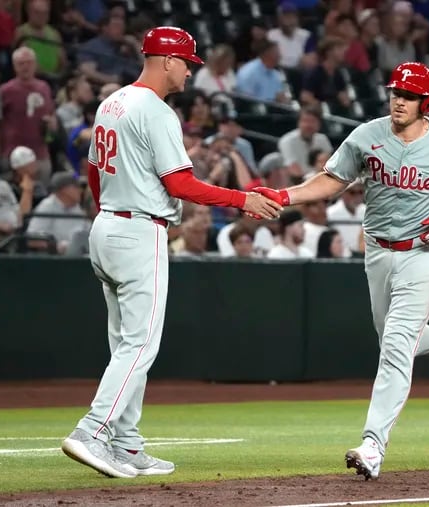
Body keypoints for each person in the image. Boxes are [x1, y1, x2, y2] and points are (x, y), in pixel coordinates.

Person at [60, 26, 282, 479]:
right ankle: (92, 432)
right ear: (165, 60)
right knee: (139, 345)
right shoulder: (156, 111)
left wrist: (110, 217)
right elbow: (180, 184)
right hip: (139, 230)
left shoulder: (111, 102)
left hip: (106, 226)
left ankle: (126, 443)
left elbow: (94, 173)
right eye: (185, 63)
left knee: (124, 343)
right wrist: (243, 199)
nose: (188, 72)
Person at [252, 61, 429, 480]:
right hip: (378, 250)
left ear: (425, 101)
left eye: (409, 95)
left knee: (396, 346)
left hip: (425, 252)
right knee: (396, 341)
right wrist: (285, 196)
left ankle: (373, 445)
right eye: (396, 92)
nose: (399, 100)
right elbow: (331, 180)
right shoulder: (367, 136)